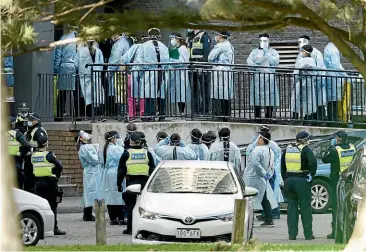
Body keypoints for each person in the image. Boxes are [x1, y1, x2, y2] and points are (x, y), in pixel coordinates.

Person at [281, 131, 317, 240]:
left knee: (292, 209)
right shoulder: (305, 149)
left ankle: (292, 235)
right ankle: (308, 234)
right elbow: (313, 163)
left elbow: (282, 166)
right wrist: (311, 174)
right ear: (305, 140)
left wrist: (286, 179)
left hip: (289, 180)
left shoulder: (287, 149)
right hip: (301, 181)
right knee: (305, 208)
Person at [117, 133, 155, 234]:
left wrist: (119, 184)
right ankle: (146, 229)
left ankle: (130, 229)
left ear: (131, 142)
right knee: (145, 206)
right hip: (144, 182)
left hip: (131, 182)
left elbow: (121, 171)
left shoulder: (126, 153)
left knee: (131, 206)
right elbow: (152, 169)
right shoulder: (147, 153)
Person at [322, 131, 356, 239]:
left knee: (337, 207)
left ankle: (336, 232)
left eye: (335, 138)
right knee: (349, 206)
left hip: (338, 180)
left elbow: (324, 159)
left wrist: (330, 147)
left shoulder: (335, 150)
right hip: (351, 180)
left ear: (338, 139)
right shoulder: (352, 147)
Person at [30, 132, 66, 235]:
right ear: (46, 144)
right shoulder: (49, 155)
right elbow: (59, 166)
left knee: (40, 207)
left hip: (38, 183)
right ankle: (54, 228)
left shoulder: (34, 156)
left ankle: (41, 228)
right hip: (50, 183)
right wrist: (57, 173)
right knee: (52, 206)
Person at [247, 125, 283, 220]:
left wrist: (265, 172)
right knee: (266, 193)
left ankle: (273, 213)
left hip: (264, 172)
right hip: (269, 170)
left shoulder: (259, 145)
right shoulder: (272, 145)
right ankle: (268, 214)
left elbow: (251, 157)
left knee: (267, 193)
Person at [134, 28, 170, 121]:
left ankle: (149, 115)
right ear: (159, 35)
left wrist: (137, 75)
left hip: (149, 73)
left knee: (149, 94)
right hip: (161, 72)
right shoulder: (164, 46)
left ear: (149, 35)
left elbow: (139, 62)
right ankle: (162, 115)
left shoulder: (144, 46)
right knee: (160, 95)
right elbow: (167, 62)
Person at [244, 131, 277, 227]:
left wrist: (263, 173)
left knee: (249, 199)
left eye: (258, 138)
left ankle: (250, 222)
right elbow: (272, 165)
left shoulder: (257, 150)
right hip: (263, 179)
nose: (257, 140)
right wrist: (268, 175)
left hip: (252, 177)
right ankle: (269, 219)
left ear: (262, 139)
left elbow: (255, 163)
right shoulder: (270, 151)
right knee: (264, 198)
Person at [247, 33, 280, 121]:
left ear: (268, 41)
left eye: (265, 41)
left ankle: (268, 117)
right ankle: (257, 117)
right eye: (261, 41)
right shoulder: (254, 52)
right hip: (258, 78)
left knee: (270, 98)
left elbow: (276, 62)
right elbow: (249, 62)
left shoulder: (273, 52)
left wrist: (267, 54)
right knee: (257, 98)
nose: (263, 42)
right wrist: (256, 65)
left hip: (269, 79)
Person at [297, 35, 327, 121]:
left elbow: (321, 67)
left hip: (315, 80)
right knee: (309, 101)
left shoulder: (317, 53)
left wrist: (319, 79)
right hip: (307, 81)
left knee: (318, 101)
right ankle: (309, 118)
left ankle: (321, 119)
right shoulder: (301, 54)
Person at [74, 40, 106, 121]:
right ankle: (99, 115)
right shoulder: (98, 51)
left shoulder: (80, 51)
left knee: (87, 95)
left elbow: (76, 64)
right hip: (96, 74)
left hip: (85, 75)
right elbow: (101, 64)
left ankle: (89, 115)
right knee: (98, 94)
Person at [208, 31, 234, 121]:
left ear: (220, 36)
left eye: (217, 36)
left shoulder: (220, 45)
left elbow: (210, 57)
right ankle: (226, 114)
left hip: (219, 71)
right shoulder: (230, 45)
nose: (216, 37)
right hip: (227, 71)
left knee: (219, 94)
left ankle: (220, 115)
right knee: (225, 94)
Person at [100, 131, 125, 225]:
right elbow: (122, 159)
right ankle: (121, 217)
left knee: (110, 195)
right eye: (117, 137)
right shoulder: (117, 149)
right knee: (118, 195)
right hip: (116, 172)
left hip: (108, 173)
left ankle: (113, 218)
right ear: (113, 138)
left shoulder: (106, 148)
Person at [76, 130, 101, 222]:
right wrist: (96, 152)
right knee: (90, 193)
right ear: (81, 138)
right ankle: (87, 214)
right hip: (91, 171)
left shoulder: (84, 147)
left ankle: (88, 213)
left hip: (91, 171)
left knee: (90, 192)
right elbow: (94, 160)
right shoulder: (85, 148)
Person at [53, 28, 77, 118]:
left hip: (64, 67)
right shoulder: (80, 38)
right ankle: (76, 115)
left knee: (62, 92)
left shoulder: (64, 38)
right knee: (75, 93)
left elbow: (58, 55)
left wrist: (55, 69)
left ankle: (59, 115)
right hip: (75, 67)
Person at [186, 29, 211, 115]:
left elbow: (206, 53)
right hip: (192, 66)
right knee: (194, 90)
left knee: (204, 89)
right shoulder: (190, 37)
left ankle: (204, 109)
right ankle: (195, 110)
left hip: (201, 66)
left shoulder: (204, 36)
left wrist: (202, 66)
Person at [324, 42, 349, 123]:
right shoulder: (333, 50)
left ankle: (332, 118)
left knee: (331, 100)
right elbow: (337, 66)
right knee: (334, 100)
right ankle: (333, 119)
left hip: (330, 76)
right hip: (334, 77)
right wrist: (346, 76)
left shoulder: (328, 47)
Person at [121, 36, 144, 119]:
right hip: (143, 73)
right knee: (142, 95)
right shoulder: (145, 48)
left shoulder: (132, 48)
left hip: (131, 73)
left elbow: (123, 59)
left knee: (131, 96)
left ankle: (131, 115)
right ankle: (142, 114)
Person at [291, 45, 317, 122]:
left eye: (302, 51)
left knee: (296, 99)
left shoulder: (300, 61)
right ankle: (307, 119)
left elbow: (296, 73)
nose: (301, 53)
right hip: (309, 83)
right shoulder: (313, 61)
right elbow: (315, 73)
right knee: (309, 100)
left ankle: (294, 118)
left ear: (305, 52)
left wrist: (294, 83)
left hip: (300, 82)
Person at [107, 33, 131, 116]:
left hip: (118, 71)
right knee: (122, 92)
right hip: (123, 70)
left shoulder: (119, 44)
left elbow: (115, 58)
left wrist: (109, 70)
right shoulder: (125, 42)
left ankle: (122, 113)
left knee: (120, 92)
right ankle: (123, 112)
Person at [24, 113, 48, 191]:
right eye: (29, 119)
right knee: (28, 180)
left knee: (32, 181)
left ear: (36, 121)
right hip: (29, 159)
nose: (29, 121)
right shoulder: (30, 130)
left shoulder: (39, 131)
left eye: (31, 119)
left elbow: (42, 141)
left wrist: (32, 150)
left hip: (36, 160)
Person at [168, 33, 191, 116]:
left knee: (182, 92)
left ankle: (182, 111)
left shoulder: (183, 49)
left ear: (177, 39)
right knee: (177, 92)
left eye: (173, 38)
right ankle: (179, 111)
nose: (172, 40)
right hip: (176, 73)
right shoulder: (175, 48)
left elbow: (184, 62)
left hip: (181, 73)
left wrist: (172, 61)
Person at [8, 117, 31, 189]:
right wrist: (21, 153)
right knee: (18, 181)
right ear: (13, 124)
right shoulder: (16, 133)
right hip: (16, 160)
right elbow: (27, 145)